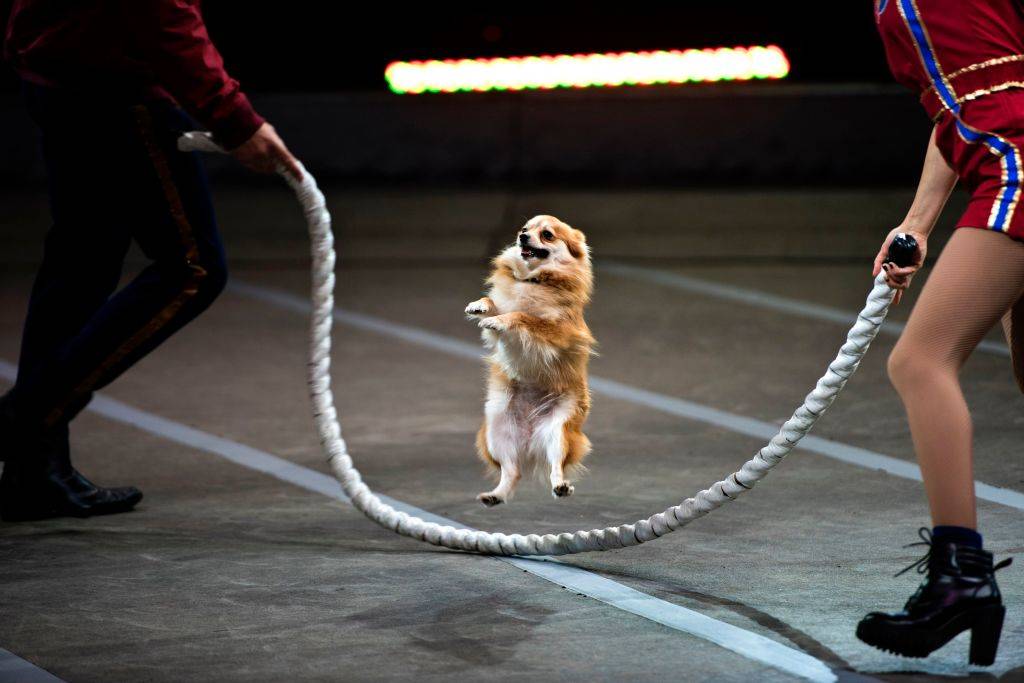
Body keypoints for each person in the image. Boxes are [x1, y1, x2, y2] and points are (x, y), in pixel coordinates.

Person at [0, 0, 302, 521]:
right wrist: (234, 118)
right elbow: (160, 11)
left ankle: (35, 473)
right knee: (193, 268)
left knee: (82, 263)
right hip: (113, 87)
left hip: (59, 73)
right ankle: (20, 425)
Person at [857, 0, 1019, 665]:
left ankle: (961, 579)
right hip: (998, 159)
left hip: (1015, 164)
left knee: (920, 361)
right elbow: (963, 102)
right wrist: (919, 222)